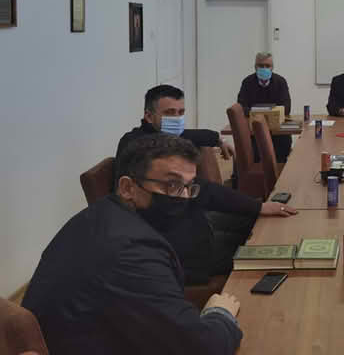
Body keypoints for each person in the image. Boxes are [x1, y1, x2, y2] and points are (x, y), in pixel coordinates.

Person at [23, 134, 244, 354]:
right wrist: (220, 313)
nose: (184, 198)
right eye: (172, 185)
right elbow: (203, 348)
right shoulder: (132, 252)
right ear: (127, 187)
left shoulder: (100, 215)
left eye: (188, 187)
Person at [116, 85, 297, 286]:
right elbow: (204, 191)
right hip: (179, 249)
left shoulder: (163, 140)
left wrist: (258, 207)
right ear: (149, 116)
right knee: (262, 246)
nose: (177, 119)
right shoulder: (142, 149)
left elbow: (191, 139)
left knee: (257, 221)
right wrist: (258, 206)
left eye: (181, 112)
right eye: (169, 113)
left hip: (193, 222)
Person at [236, 52, 293, 162]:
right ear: (255, 67)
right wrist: (264, 114)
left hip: (276, 130)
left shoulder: (280, 82)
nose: (264, 69)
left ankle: (279, 168)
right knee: (248, 150)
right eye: (261, 66)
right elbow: (241, 106)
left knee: (283, 145)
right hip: (253, 130)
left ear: (272, 67)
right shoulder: (247, 82)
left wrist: (260, 112)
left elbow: (287, 107)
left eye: (267, 66)